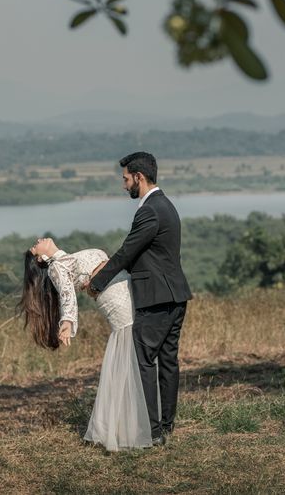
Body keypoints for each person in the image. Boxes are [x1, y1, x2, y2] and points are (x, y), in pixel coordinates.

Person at [86, 152, 193, 446]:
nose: (124, 185)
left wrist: (97, 282)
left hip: (155, 298)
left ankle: (152, 431)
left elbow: (127, 251)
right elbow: (148, 256)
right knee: (168, 362)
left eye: (125, 179)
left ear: (139, 177)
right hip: (176, 295)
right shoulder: (166, 206)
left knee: (142, 361)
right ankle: (166, 426)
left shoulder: (148, 210)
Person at [17, 238, 151, 451]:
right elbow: (67, 294)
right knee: (130, 352)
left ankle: (135, 420)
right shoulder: (56, 267)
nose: (39, 240)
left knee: (134, 351)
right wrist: (67, 321)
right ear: (41, 257)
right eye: (35, 246)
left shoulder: (65, 259)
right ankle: (131, 426)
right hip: (115, 297)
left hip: (121, 286)